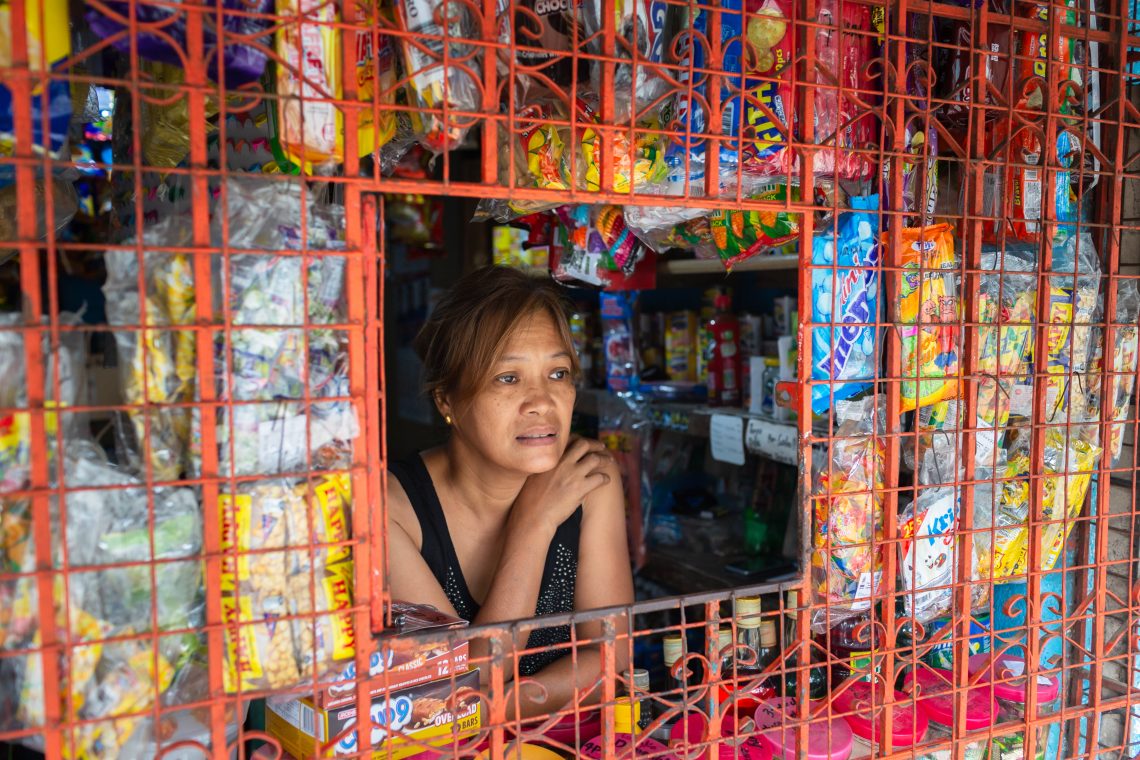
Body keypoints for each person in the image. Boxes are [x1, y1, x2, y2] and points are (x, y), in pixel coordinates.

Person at [387, 266, 633, 719]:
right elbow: (460, 679)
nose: (542, 401)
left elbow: (614, 662)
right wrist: (533, 524)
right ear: (446, 400)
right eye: (508, 378)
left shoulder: (589, 480)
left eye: (558, 373)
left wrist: (487, 707)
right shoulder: (391, 507)